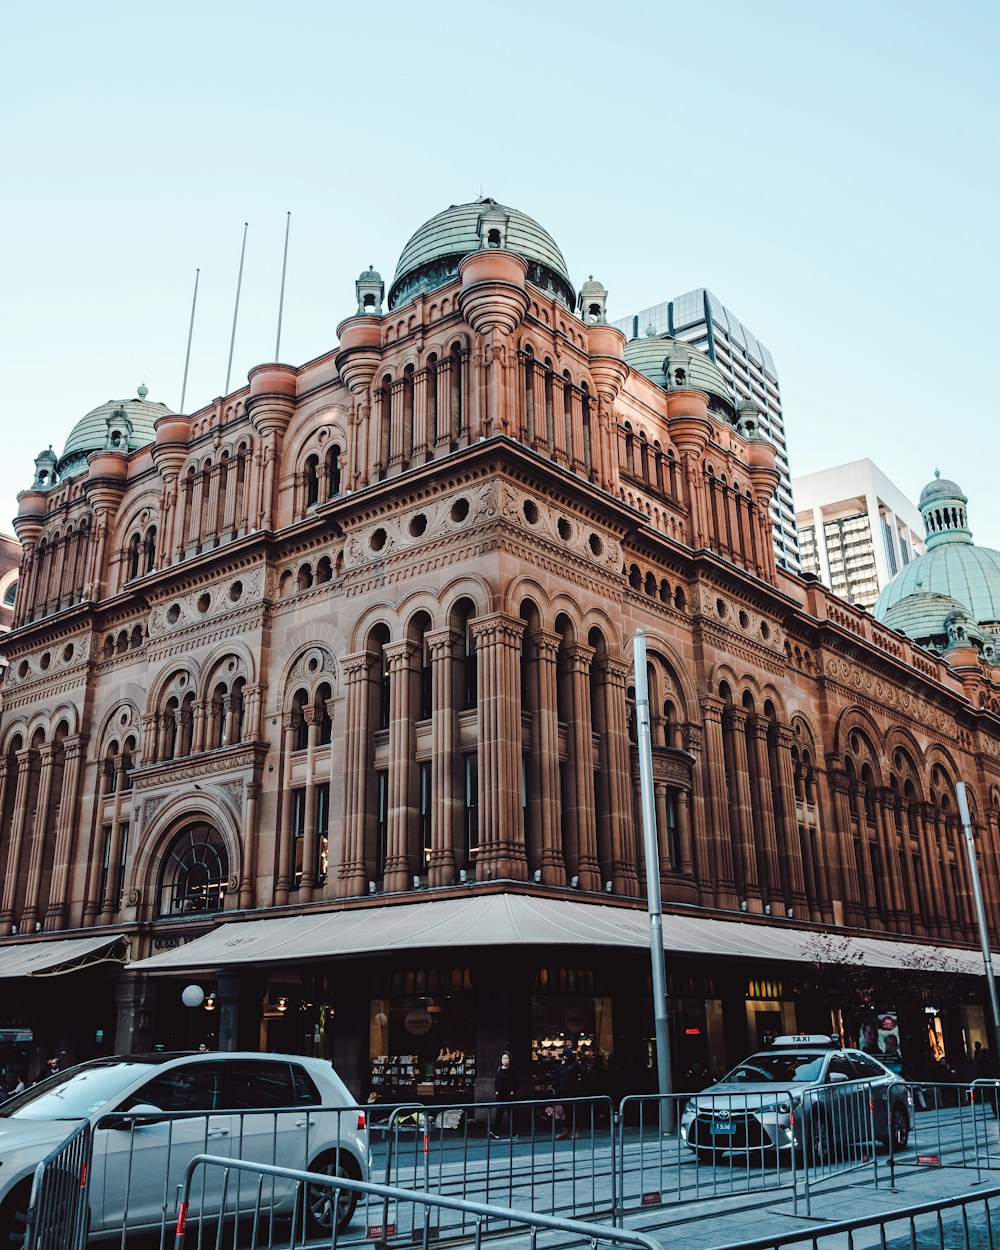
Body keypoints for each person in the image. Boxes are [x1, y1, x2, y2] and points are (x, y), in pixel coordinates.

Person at [553, 1045, 580, 1140]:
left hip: (572, 1090)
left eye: (566, 1056)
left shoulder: (575, 1064)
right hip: (563, 1090)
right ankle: (566, 1130)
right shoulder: (564, 1065)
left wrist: (563, 1066)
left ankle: (574, 1129)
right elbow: (558, 1073)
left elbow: (567, 1073)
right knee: (565, 1112)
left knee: (572, 1111)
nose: (564, 1058)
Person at [490, 1050, 518, 1139]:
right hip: (500, 1094)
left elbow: (516, 1082)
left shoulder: (513, 1070)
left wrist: (513, 1090)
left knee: (512, 1114)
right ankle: (496, 1132)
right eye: (503, 1058)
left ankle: (514, 1132)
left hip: (509, 1094)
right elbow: (496, 1081)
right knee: (499, 1114)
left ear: (509, 1060)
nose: (505, 1060)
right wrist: (496, 1091)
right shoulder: (499, 1069)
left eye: (506, 1058)